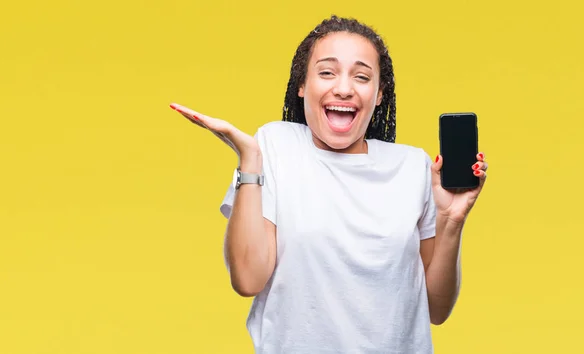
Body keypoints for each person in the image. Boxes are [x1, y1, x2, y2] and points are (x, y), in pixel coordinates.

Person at [170, 15, 488, 354]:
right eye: (327, 72)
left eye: (362, 76)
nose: (344, 88)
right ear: (302, 85)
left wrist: (452, 221)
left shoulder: (413, 167)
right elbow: (248, 279)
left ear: (379, 94)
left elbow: (436, 311)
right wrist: (249, 160)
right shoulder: (275, 146)